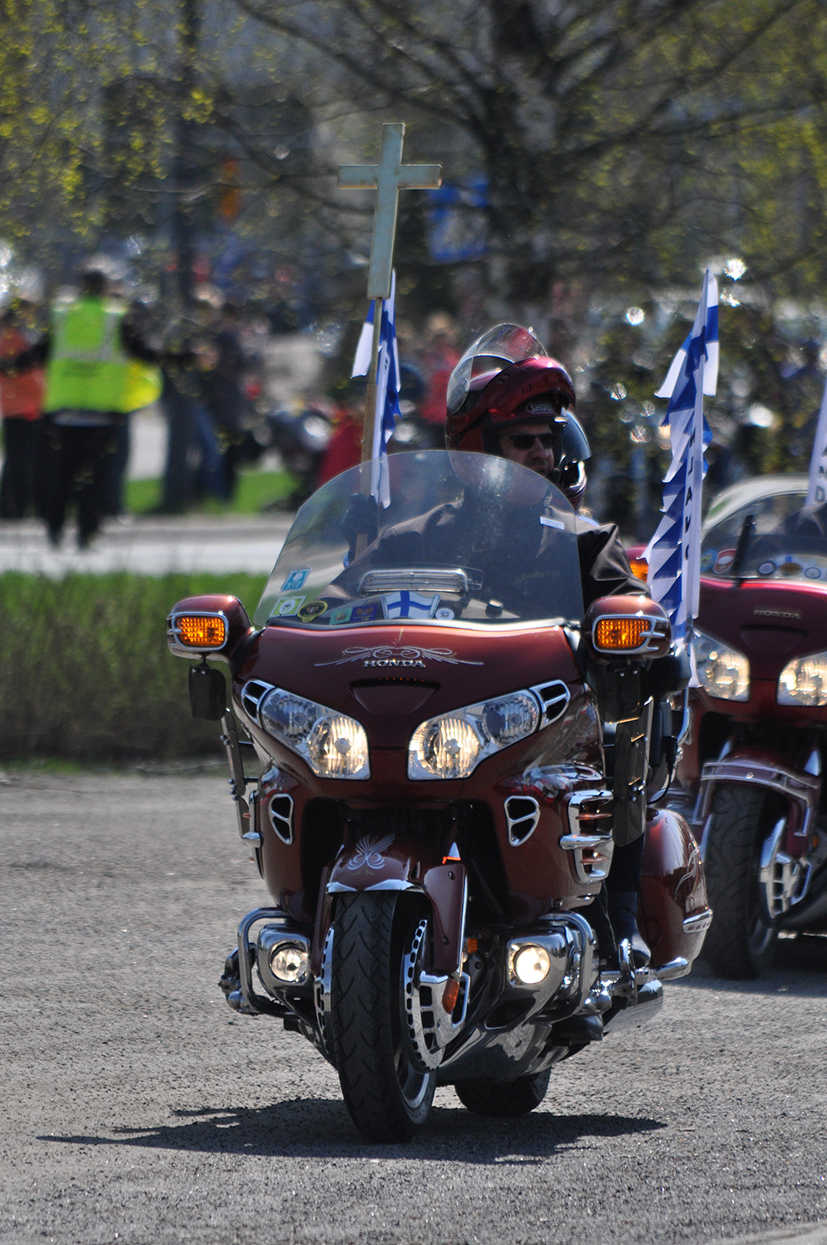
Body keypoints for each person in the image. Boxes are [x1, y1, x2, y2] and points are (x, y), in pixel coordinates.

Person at [444, 324, 658, 965]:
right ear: (479, 448)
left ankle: (618, 923)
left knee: (623, 743)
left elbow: (630, 608)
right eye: (521, 441)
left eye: (547, 440)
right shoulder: (416, 533)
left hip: (547, 718)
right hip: (441, 712)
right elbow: (345, 602)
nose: (540, 454)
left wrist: (632, 626)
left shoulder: (583, 541)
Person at [1, 266, 186, 547]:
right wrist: (186, 358)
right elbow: (146, 354)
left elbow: (37, 355)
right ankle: (87, 533)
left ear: (80, 287)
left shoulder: (63, 316)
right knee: (96, 477)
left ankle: (54, 529)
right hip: (103, 414)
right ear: (105, 288)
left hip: (64, 412)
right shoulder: (118, 318)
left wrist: (8, 367)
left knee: (60, 474)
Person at [0, 301, 45, 519]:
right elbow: (13, 367)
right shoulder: (12, 337)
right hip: (22, 405)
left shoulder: (17, 336)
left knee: (21, 459)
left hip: (23, 405)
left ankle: (16, 507)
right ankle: (13, 508)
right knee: (20, 461)